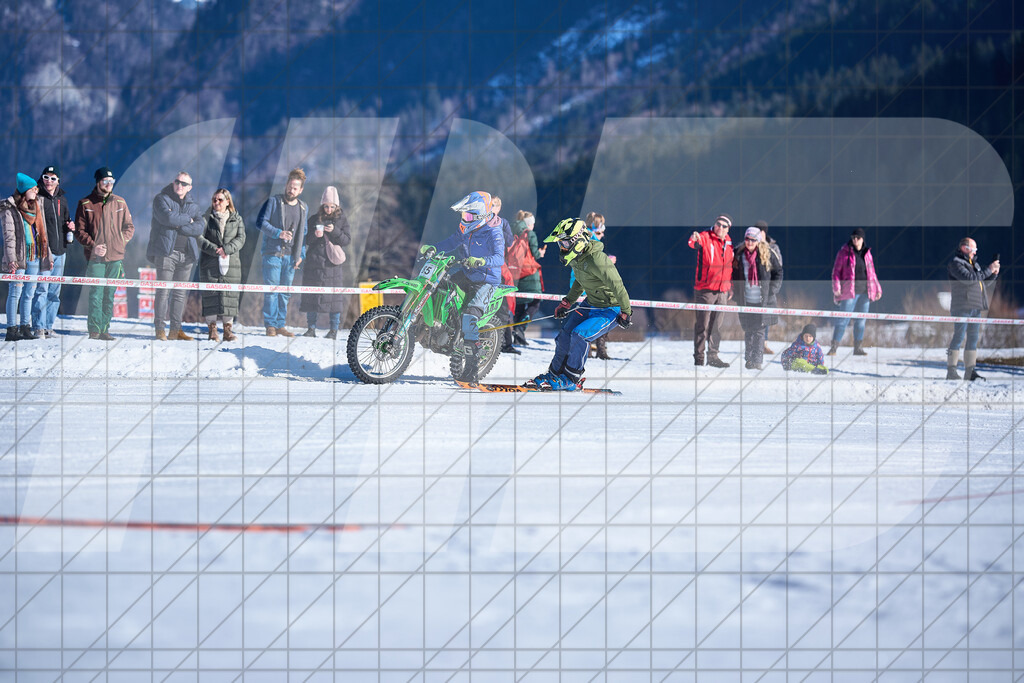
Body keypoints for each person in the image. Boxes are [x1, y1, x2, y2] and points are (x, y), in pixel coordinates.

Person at [526, 217, 632, 391]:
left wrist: (626, 312)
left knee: (580, 335)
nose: (562, 247)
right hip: (590, 304)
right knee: (564, 335)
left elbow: (617, 285)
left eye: (565, 243)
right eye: (561, 243)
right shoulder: (577, 257)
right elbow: (580, 281)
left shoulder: (598, 259)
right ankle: (554, 374)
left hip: (610, 309)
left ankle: (571, 378)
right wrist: (567, 302)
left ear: (578, 241)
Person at [423, 190, 504, 382]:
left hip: (487, 279)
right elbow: (453, 240)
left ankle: (472, 368)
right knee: (439, 287)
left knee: (470, 317)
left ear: (481, 215)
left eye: (468, 215)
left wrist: (481, 261)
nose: (465, 219)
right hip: (467, 273)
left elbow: (500, 257)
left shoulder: (493, 230)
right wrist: (435, 248)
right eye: (463, 215)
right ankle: (444, 327)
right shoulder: (466, 227)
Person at [75, 167, 135, 340]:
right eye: (105, 181)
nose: (109, 185)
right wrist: (93, 246)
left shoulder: (120, 202)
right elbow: (79, 232)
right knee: (96, 293)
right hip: (96, 258)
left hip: (116, 257)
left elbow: (129, 227)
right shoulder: (85, 203)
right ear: (98, 182)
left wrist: (120, 242)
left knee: (109, 294)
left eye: (111, 182)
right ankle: (94, 330)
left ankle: (104, 329)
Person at [148, 170, 203, 340]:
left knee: (180, 294)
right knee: (163, 291)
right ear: (173, 183)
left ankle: (175, 330)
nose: (180, 185)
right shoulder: (161, 199)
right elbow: (168, 219)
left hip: (186, 255)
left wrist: (180, 223)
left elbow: (200, 227)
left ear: (190, 187)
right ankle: (160, 329)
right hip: (166, 252)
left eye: (184, 183)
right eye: (177, 182)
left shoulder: (194, 206)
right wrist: (188, 220)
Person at [257, 167, 308, 337]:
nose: (291, 190)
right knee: (272, 291)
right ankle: (270, 326)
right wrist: (279, 233)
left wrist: (301, 254)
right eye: (290, 186)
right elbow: (260, 222)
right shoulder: (274, 201)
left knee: (285, 293)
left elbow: (304, 232)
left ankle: (280, 325)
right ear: (286, 185)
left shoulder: (303, 207)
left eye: (295, 188)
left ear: (300, 190)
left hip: (291, 257)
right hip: (273, 254)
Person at [2, 174, 52, 341]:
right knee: (15, 291)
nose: (36, 192)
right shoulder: (10, 208)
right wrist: (11, 259)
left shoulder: (37, 206)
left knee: (29, 293)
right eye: (33, 189)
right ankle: (11, 328)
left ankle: (25, 326)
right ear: (24, 190)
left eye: (36, 189)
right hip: (19, 257)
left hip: (35, 254)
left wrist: (48, 256)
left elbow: (43, 232)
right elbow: (9, 236)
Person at [300, 186, 351, 340]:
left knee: (334, 298)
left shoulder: (342, 219)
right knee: (311, 295)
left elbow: (347, 240)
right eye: (326, 206)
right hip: (314, 263)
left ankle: (333, 330)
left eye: (332, 206)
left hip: (332, 264)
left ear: (337, 206)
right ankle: (311, 328)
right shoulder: (314, 219)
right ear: (322, 205)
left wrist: (334, 231)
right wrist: (316, 235)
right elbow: (305, 240)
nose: (329, 209)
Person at [946, 237, 999, 381]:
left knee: (973, 339)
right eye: (973, 249)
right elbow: (970, 279)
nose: (975, 252)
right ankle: (951, 371)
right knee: (959, 337)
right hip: (962, 306)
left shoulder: (974, 264)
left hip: (976, 306)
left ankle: (970, 371)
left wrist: (993, 274)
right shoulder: (955, 264)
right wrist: (988, 270)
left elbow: (981, 282)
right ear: (964, 248)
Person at [30, 165, 74, 338]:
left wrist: (70, 226)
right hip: (43, 251)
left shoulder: (61, 199)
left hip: (60, 250)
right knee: (41, 289)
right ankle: (38, 327)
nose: (49, 181)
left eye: (53, 178)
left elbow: (65, 219)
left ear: (58, 181)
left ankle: (49, 326)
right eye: (46, 177)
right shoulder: (38, 197)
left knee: (54, 291)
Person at [731, 226, 782, 370]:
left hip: (762, 300)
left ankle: (757, 361)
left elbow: (778, 272)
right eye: (747, 239)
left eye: (753, 239)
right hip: (746, 299)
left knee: (759, 331)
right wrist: (735, 293)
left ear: (758, 241)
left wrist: (772, 290)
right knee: (748, 330)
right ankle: (749, 360)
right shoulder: (739, 255)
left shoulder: (768, 254)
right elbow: (733, 275)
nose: (749, 242)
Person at [197, 188, 245, 341]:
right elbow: (198, 237)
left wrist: (226, 249)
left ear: (228, 201)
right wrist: (215, 250)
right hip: (209, 262)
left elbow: (241, 238)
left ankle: (227, 330)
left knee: (229, 296)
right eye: (214, 200)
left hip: (231, 264)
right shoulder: (206, 218)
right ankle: (212, 329)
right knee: (210, 295)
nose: (216, 202)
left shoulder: (237, 218)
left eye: (220, 200)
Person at [688, 214, 734, 367]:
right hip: (705, 290)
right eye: (718, 224)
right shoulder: (705, 237)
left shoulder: (728, 242)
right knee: (702, 325)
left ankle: (713, 357)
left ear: (728, 229)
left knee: (716, 326)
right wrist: (694, 238)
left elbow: (729, 267)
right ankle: (699, 359)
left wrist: (730, 287)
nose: (720, 227)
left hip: (723, 291)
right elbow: (693, 243)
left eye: (724, 226)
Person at [829, 228, 882, 356]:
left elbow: (872, 273)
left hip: (865, 292)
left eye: (858, 238)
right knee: (843, 320)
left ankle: (858, 348)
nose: (855, 240)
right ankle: (834, 348)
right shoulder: (844, 253)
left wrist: (878, 288)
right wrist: (836, 287)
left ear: (862, 239)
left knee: (861, 321)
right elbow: (836, 272)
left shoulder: (867, 254)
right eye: (853, 237)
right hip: (849, 292)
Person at [508, 210, 545, 345]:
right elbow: (534, 254)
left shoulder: (512, 231)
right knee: (535, 303)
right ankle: (520, 328)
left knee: (519, 305)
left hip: (515, 273)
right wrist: (541, 253)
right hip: (529, 272)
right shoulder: (530, 234)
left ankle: (518, 337)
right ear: (529, 224)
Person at [757, 220, 782, 354]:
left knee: (765, 317)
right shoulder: (751, 244)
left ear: (764, 232)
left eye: (760, 231)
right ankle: (756, 343)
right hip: (754, 288)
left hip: (768, 288)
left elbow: (779, 267)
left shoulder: (773, 247)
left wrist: (773, 288)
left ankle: (764, 343)